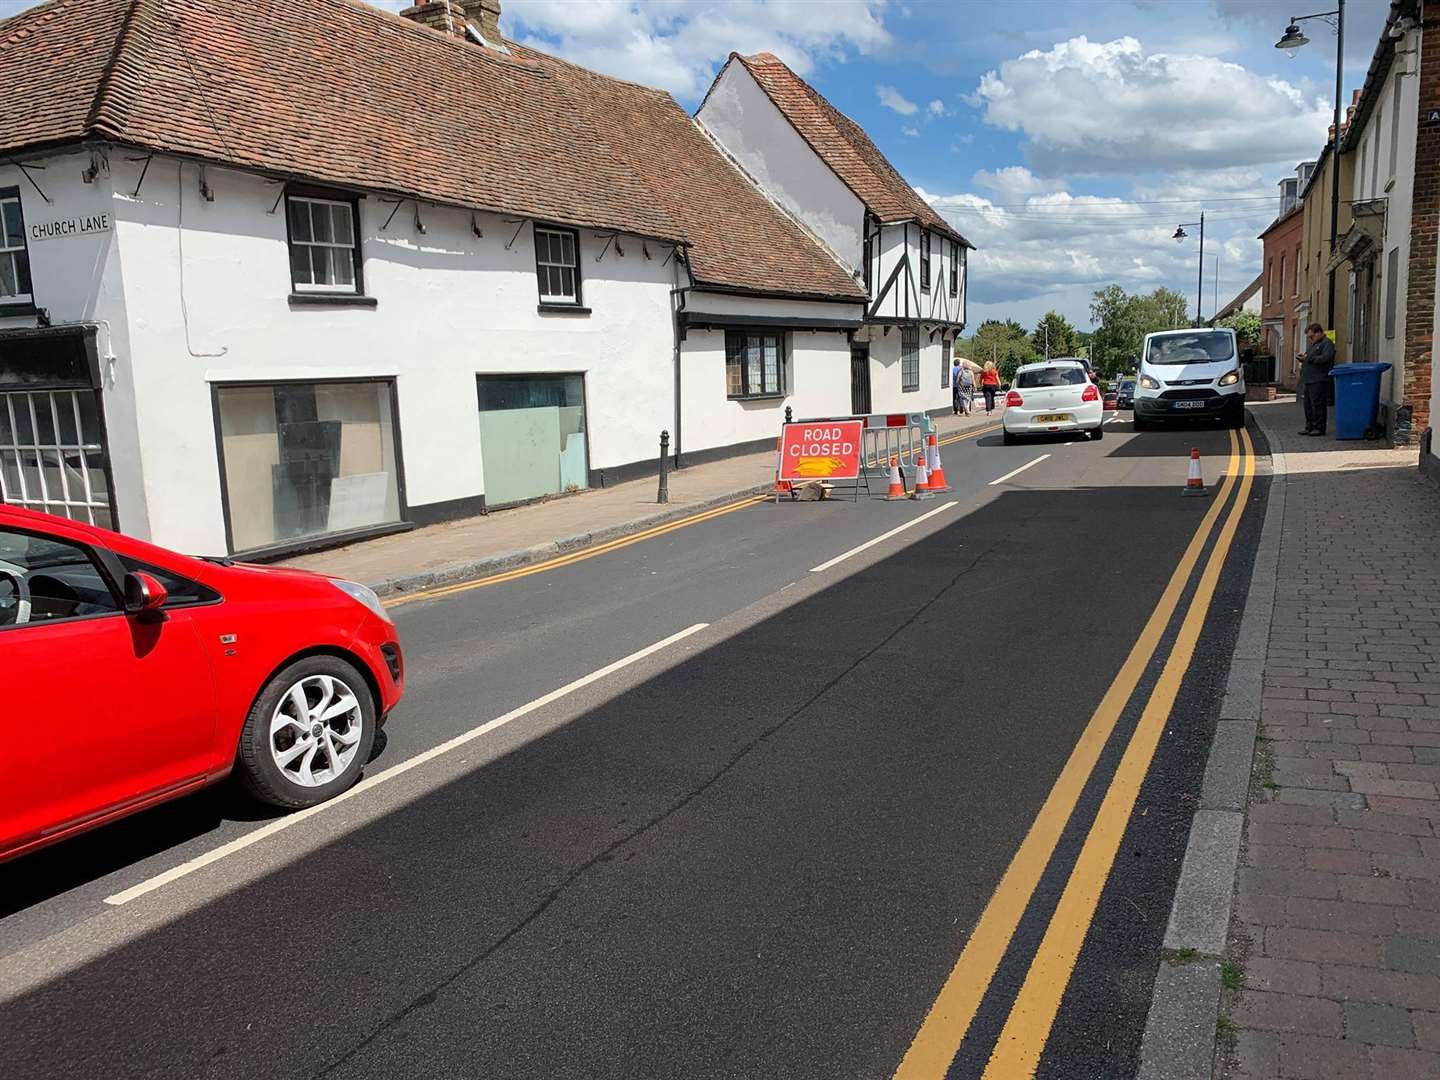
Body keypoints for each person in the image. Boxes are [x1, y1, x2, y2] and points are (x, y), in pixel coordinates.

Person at [1296, 322, 1335, 436]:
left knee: (1318, 405)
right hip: (1309, 380)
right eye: (1309, 337)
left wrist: (1309, 358)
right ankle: (1309, 426)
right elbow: (1309, 358)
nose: (1310, 339)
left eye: (1312, 336)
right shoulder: (1314, 344)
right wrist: (1303, 359)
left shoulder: (1327, 344)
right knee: (1308, 405)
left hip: (1318, 379)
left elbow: (1325, 358)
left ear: (1319, 333)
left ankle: (1319, 428)